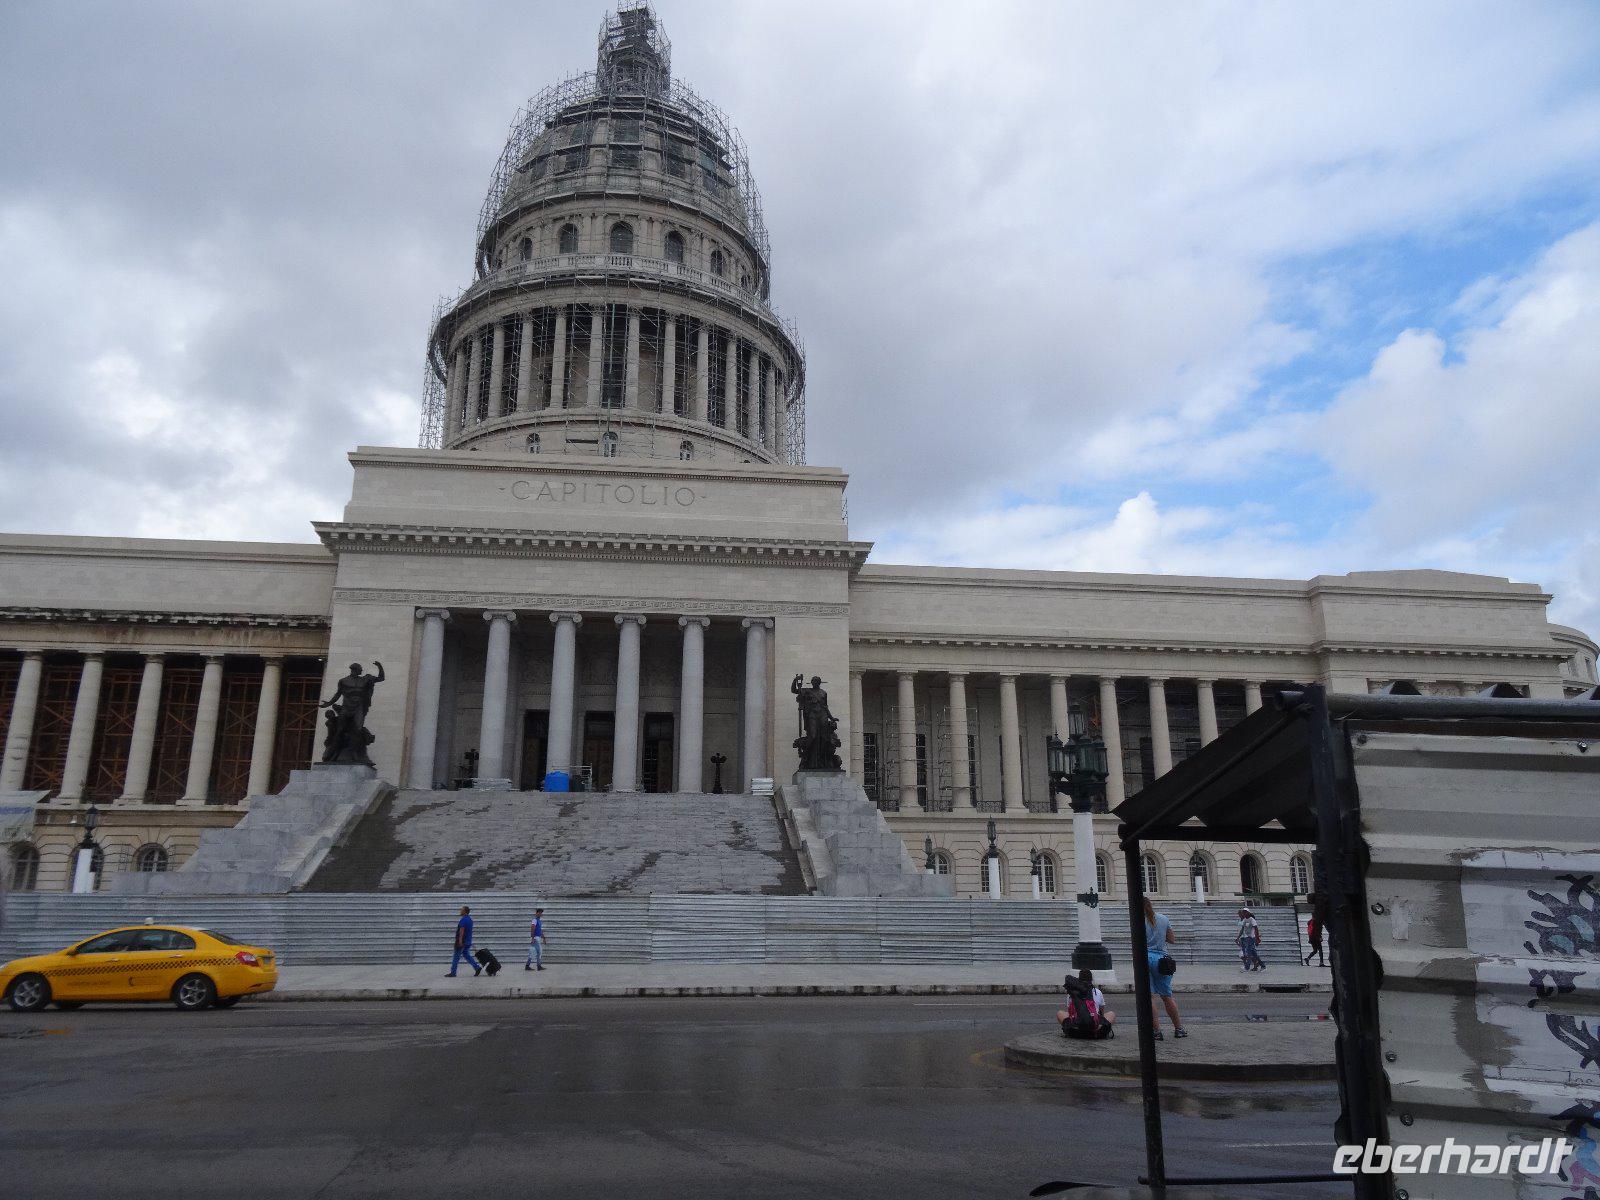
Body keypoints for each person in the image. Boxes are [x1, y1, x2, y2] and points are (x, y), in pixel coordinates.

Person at [1144, 898, 1187, 1039]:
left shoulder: (1138, 920)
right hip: (1161, 960)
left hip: (1144, 959)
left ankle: (1157, 1031)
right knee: (1167, 997)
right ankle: (1178, 1029)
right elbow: (1172, 939)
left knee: (1149, 997)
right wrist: (1160, 937)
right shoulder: (1163, 919)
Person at [1057, 968, 1116, 1039]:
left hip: (1077, 1028)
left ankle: (1069, 1031)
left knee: (1060, 1013)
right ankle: (1102, 1031)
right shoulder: (1097, 992)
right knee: (1111, 1014)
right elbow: (1101, 1012)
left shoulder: (1072, 993)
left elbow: (1070, 1012)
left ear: (1079, 979)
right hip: (1095, 1029)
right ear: (1091, 979)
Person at [449, 905, 480, 977]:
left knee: (456, 957)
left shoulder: (463, 920)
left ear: (465, 911)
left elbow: (462, 931)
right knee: (466, 955)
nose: (460, 911)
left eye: (461, 910)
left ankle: (453, 973)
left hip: (462, 942)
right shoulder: (470, 920)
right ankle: (477, 968)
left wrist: (460, 941)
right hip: (468, 941)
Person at [1237, 907, 1266, 972]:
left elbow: (1256, 929)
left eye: (1245, 912)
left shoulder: (1252, 920)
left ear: (1248, 913)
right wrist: (1238, 937)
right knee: (1254, 954)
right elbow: (1242, 929)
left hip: (1251, 938)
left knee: (1249, 953)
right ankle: (1263, 965)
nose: (1244, 913)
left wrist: (1257, 938)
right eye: (1243, 912)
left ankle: (1247, 968)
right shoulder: (1244, 920)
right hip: (1246, 938)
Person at [525, 907, 548, 971]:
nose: (540, 914)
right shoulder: (534, 920)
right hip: (535, 938)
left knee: (533, 952)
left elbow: (540, 930)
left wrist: (544, 938)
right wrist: (532, 938)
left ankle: (527, 966)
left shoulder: (539, 921)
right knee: (539, 952)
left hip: (538, 938)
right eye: (539, 913)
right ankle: (538, 966)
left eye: (541, 913)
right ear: (536, 913)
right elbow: (532, 928)